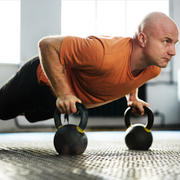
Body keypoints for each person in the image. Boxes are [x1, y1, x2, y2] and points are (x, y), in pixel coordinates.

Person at [0, 12, 179, 123]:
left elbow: (133, 75)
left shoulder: (154, 68)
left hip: (57, 102)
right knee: (2, 111)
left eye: (175, 43)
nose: (173, 52)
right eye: (166, 42)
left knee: (24, 114)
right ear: (142, 39)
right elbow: (47, 45)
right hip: (39, 79)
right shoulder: (102, 53)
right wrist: (65, 93)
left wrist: (133, 98)